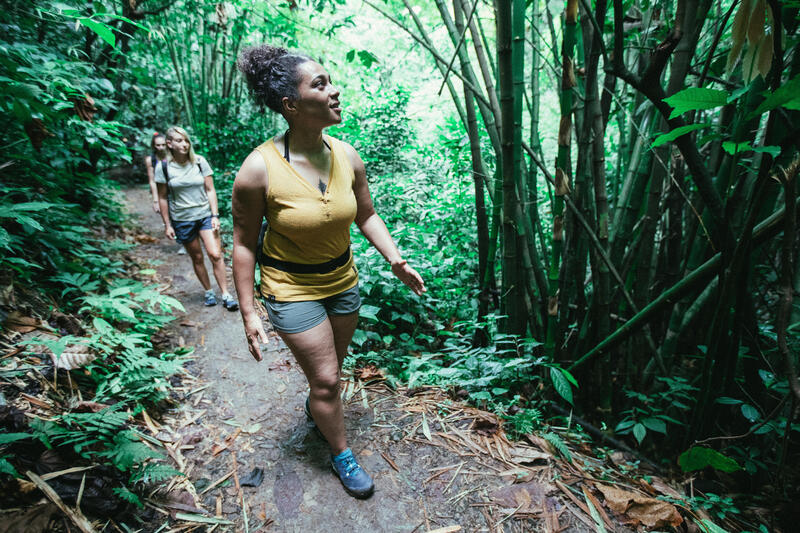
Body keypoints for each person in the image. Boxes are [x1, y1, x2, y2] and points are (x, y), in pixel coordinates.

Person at [232, 45, 426, 499]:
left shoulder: (347, 155)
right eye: (320, 84)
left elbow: (367, 214)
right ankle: (340, 452)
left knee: (332, 369)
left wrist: (394, 258)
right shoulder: (258, 170)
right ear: (291, 105)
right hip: (289, 285)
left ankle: (319, 405)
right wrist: (248, 312)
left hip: (342, 281)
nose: (335, 90)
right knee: (326, 379)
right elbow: (242, 244)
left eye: (331, 80)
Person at [155, 126, 239, 311]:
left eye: (186, 140)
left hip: (204, 215)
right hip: (182, 219)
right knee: (197, 257)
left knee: (215, 254)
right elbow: (162, 197)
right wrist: (167, 224)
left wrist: (215, 215)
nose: (184, 144)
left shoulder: (200, 162)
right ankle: (208, 291)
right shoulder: (163, 167)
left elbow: (210, 189)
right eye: (179, 140)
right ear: (169, 144)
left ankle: (226, 294)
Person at [145, 132, 168, 214]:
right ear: (154, 146)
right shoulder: (150, 160)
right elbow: (152, 181)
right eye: (158, 145)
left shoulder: (172, 157)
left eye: (163, 145)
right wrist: (155, 201)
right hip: (160, 189)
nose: (161, 147)